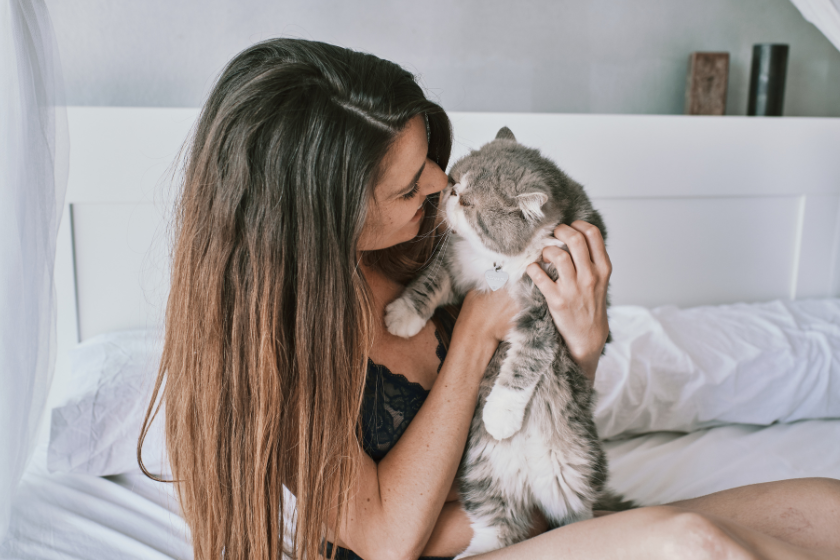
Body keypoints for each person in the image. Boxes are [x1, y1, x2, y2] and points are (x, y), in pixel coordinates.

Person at [139, 38, 840, 560]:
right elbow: (386, 538)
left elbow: (534, 425)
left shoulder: (419, 246)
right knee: (695, 544)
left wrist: (581, 344)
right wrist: (474, 334)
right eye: (409, 187)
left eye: (431, 162)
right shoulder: (264, 348)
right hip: (454, 545)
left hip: (512, 517)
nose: (442, 185)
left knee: (826, 508)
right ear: (321, 217)